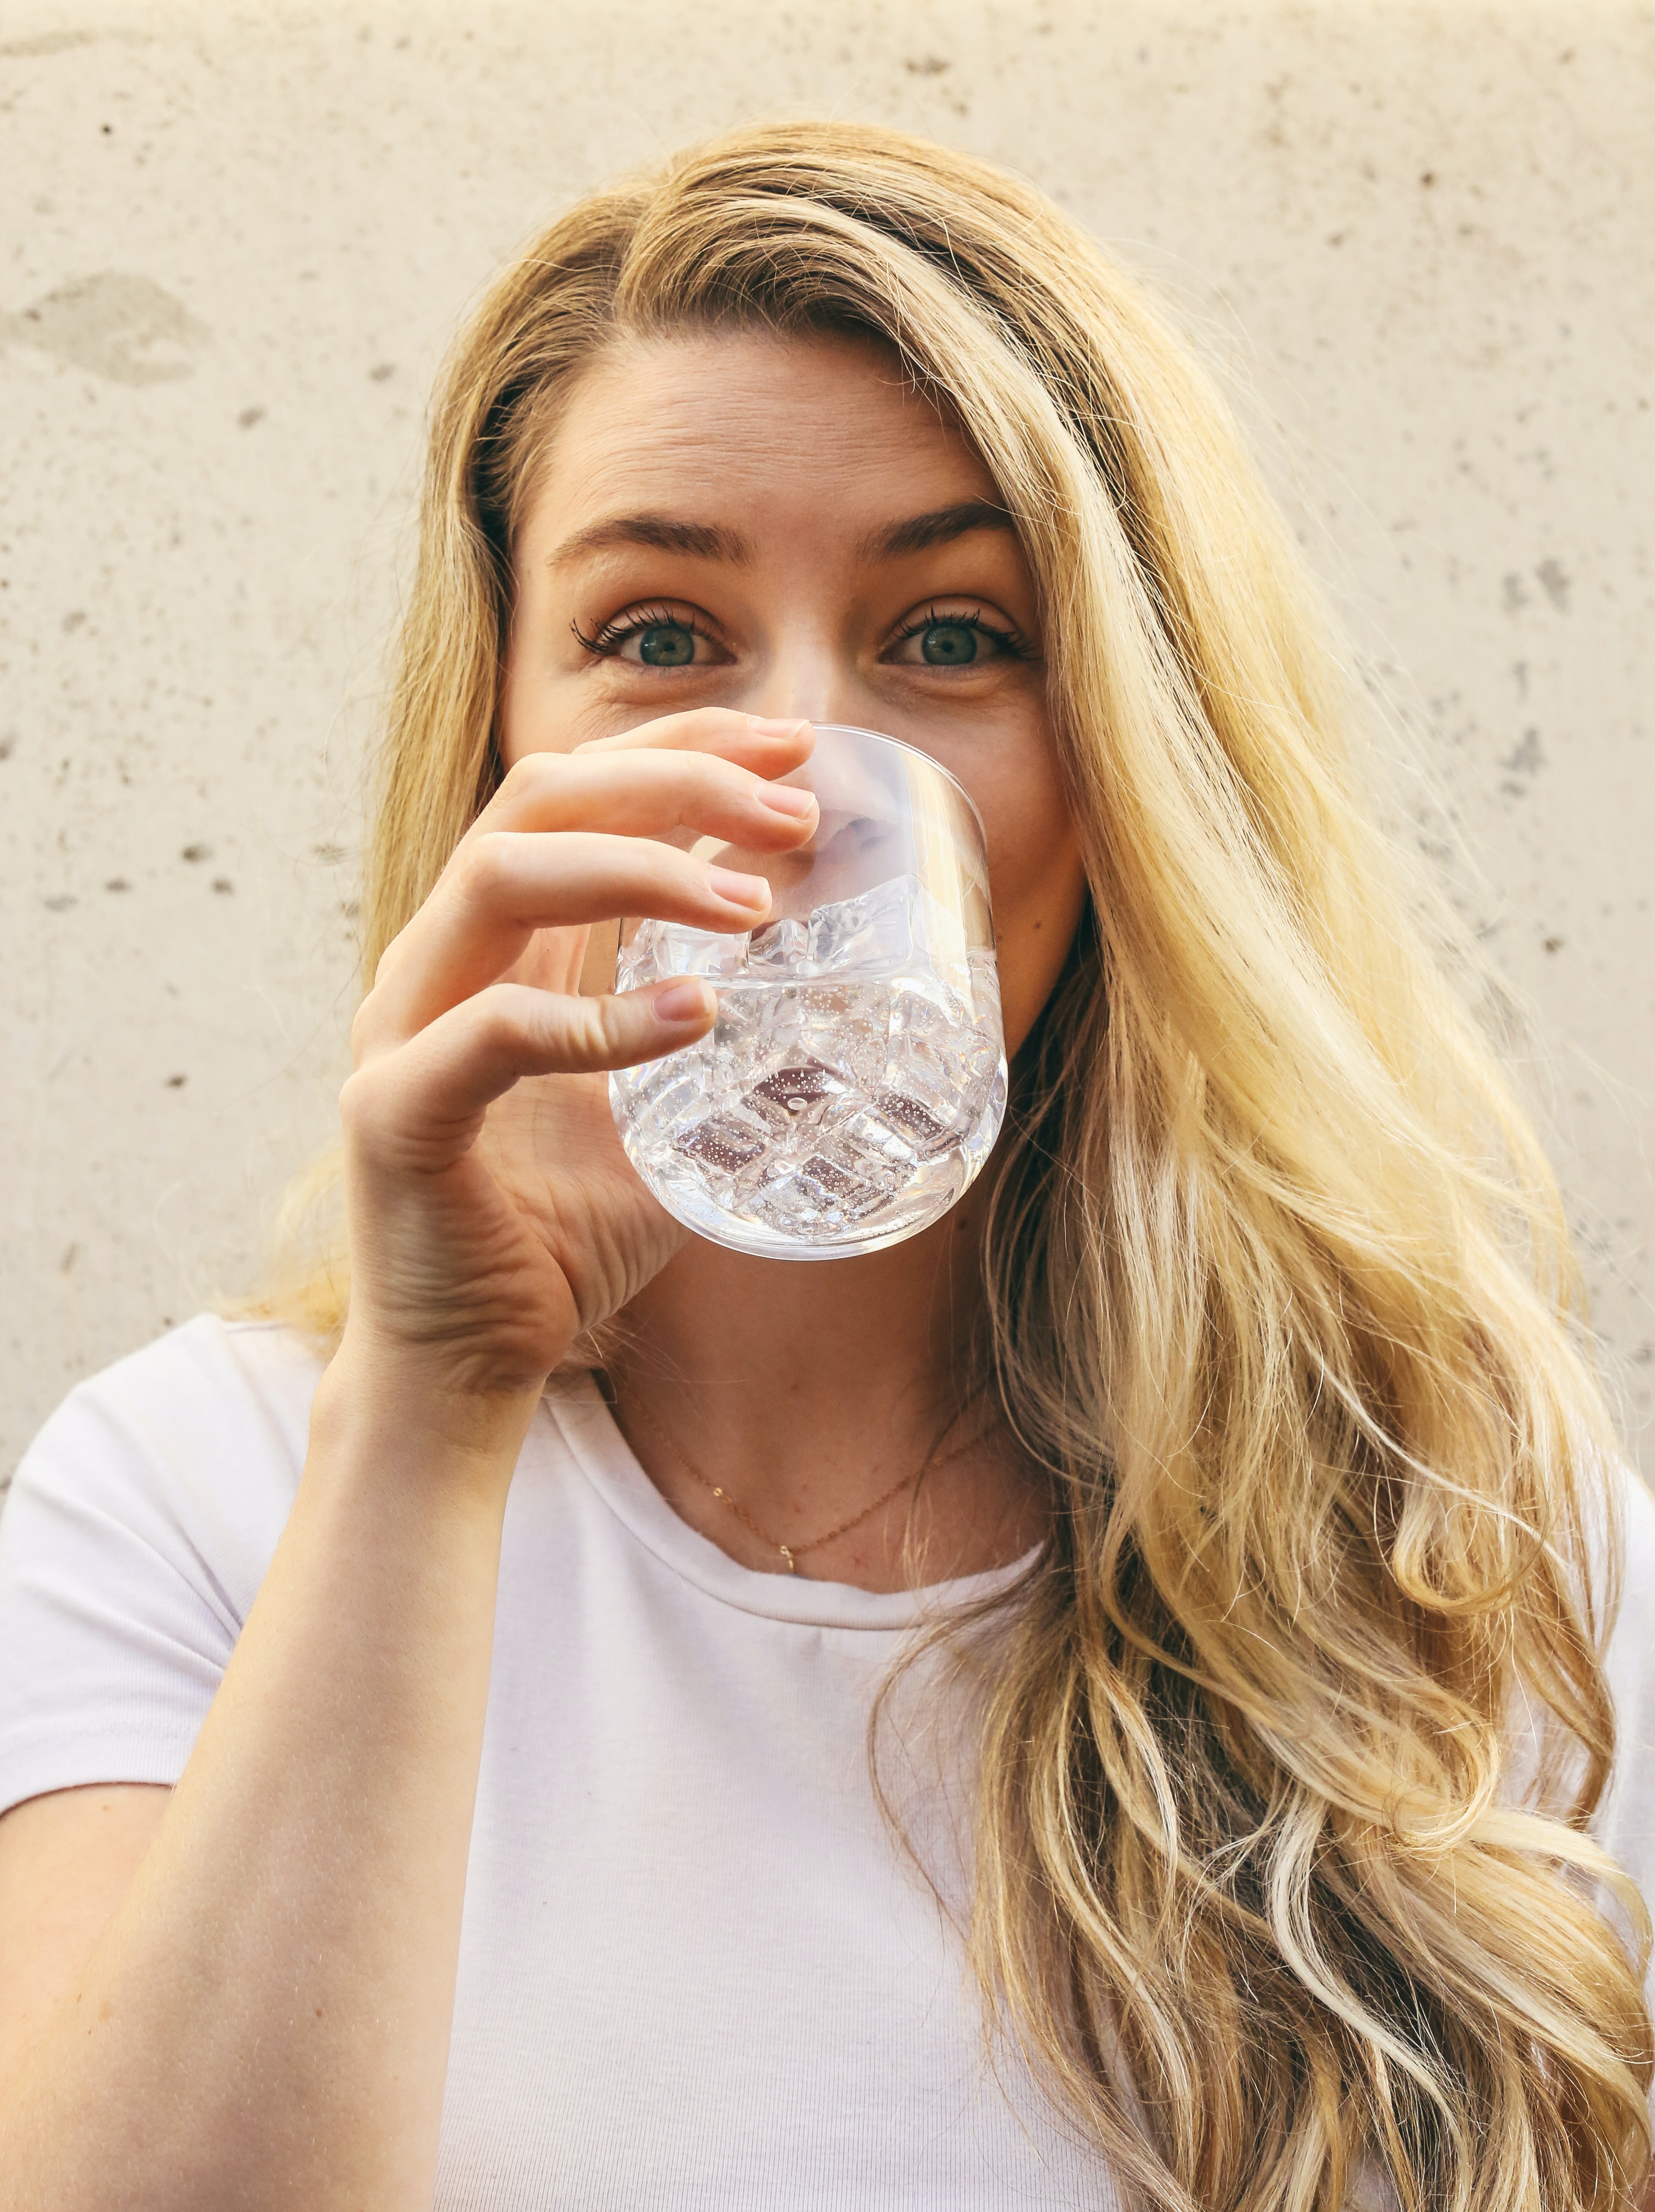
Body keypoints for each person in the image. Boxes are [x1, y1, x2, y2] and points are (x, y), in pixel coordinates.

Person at [0, 120, 1649, 2212]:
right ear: (506, 731)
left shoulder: (1472, 1559)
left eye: (952, 637)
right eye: (662, 636)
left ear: (1130, 761)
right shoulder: (195, 1504)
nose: (786, 786)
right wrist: (433, 1406)